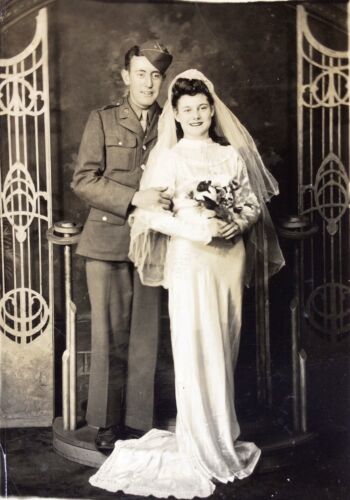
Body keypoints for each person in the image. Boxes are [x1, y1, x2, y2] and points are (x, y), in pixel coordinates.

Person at [89, 70, 285, 498]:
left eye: (202, 108)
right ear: (175, 115)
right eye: (186, 110)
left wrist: (237, 221)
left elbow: (251, 202)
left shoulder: (230, 154)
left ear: (212, 109)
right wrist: (195, 229)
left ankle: (221, 433)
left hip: (228, 260)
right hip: (190, 257)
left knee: (226, 342)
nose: (195, 115)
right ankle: (199, 441)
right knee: (196, 346)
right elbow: (147, 216)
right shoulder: (169, 157)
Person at [71, 41, 173, 452]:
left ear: (162, 80)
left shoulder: (174, 123)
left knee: (147, 337)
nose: (148, 82)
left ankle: (137, 421)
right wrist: (135, 199)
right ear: (126, 76)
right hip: (107, 242)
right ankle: (108, 422)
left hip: (153, 244)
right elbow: (84, 180)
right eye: (141, 73)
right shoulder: (103, 120)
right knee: (109, 336)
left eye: (156, 74)